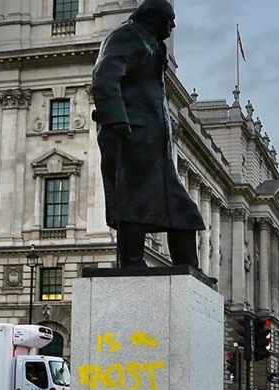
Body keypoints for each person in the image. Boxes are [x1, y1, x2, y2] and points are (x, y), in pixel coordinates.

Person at [92, 0, 207, 271]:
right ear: (152, 16)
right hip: (130, 135)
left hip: (154, 144)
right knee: (133, 201)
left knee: (183, 210)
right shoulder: (127, 36)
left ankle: (188, 268)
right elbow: (104, 77)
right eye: (169, 19)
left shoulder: (155, 45)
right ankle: (132, 262)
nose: (173, 25)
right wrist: (117, 119)